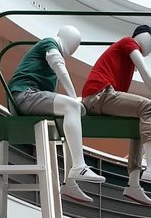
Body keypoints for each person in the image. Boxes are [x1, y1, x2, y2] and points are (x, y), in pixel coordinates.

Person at [82, 25, 151, 206]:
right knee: (150, 108)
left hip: (98, 97)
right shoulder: (128, 42)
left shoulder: (125, 60)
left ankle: (134, 185)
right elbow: (145, 72)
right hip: (99, 94)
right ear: (141, 36)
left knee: (140, 121)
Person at [8, 25, 104, 204]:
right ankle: (79, 166)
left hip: (31, 97)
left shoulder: (49, 68)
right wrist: (73, 97)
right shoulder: (49, 43)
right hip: (24, 94)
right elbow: (58, 64)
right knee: (71, 107)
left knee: (71, 116)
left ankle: (70, 182)